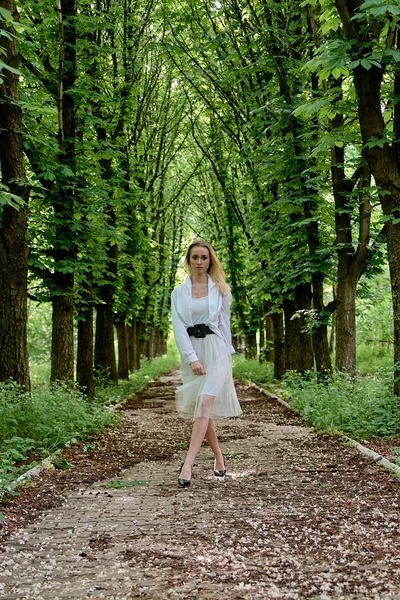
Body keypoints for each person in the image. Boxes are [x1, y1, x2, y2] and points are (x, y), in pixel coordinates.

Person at [171, 239, 242, 488]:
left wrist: (227, 355)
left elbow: (224, 323)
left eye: (204, 257)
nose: (199, 262)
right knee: (204, 407)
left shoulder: (221, 289)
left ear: (210, 260)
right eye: (195, 257)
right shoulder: (178, 293)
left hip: (215, 349)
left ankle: (188, 463)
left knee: (205, 402)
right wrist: (192, 359)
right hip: (193, 350)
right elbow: (178, 327)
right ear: (188, 260)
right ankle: (219, 456)